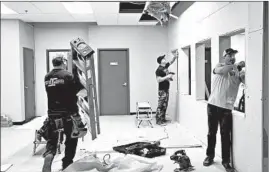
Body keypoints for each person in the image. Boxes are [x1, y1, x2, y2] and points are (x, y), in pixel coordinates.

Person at [203, 48, 245, 172]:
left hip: (226, 108)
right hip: (213, 105)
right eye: (229, 55)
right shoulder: (219, 66)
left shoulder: (239, 72)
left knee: (225, 135)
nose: (232, 57)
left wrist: (242, 71)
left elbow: (246, 81)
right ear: (224, 57)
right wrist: (236, 65)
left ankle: (226, 161)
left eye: (233, 55)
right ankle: (209, 156)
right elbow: (224, 70)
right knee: (212, 133)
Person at [41, 55, 86, 172]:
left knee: (52, 140)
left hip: (52, 114)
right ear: (63, 63)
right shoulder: (68, 76)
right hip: (68, 114)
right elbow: (79, 89)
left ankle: (49, 156)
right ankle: (66, 164)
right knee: (71, 140)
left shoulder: (47, 77)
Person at [155, 50, 179, 125]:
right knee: (161, 105)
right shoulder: (158, 70)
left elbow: (171, 62)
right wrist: (167, 77)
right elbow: (158, 80)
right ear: (160, 61)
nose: (165, 59)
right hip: (162, 90)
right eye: (163, 59)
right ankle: (158, 121)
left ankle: (162, 119)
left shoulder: (165, 67)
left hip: (166, 89)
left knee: (165, 105)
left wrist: (175, 56)